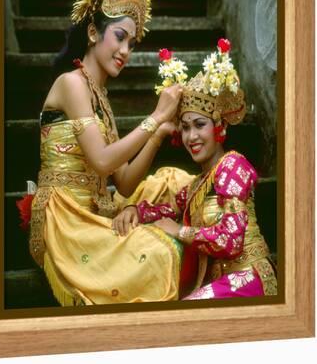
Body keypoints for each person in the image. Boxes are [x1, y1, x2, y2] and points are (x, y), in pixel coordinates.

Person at [26, 0, 193, 305]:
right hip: (67, 218)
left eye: (132, 43)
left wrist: (159, 133)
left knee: (174, 182)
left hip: (100, 206)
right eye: (120, 36)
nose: (126, 50)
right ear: (92, 32)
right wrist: (156, 117)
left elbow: (125, 181)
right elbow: (102, 161)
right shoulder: (71, 83)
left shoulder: (100, 96)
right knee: (159, 253)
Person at [113, 39, 277, 299]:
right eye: (186, 127)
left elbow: (231, 240)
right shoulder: (198, 185)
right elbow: (167, 210)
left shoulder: (233, 166)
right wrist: (135, 209)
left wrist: (180, 231)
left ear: (220, 127)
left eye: (200, 125)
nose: (191, 137)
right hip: (221, 283)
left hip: (249, 278)